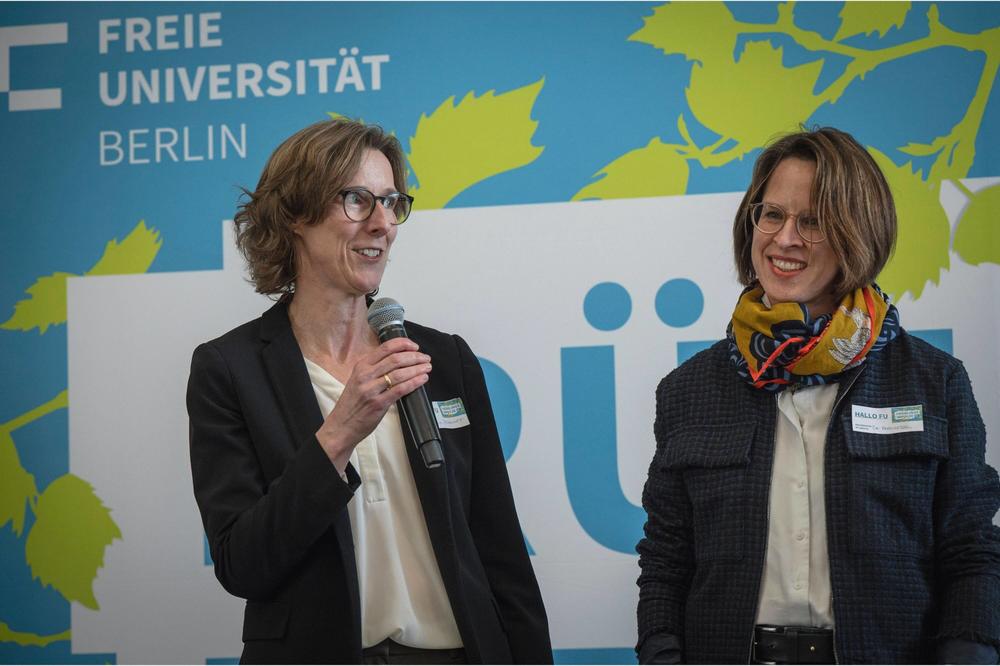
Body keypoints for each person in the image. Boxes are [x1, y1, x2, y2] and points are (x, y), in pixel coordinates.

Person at [187, 118, 551, 665]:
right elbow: (243, 564)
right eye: (357, 200)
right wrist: (337, 435)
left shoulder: (443, 358)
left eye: (391, 202)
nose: (383, 224)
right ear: (294, 215)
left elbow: (501, 550)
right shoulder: (230, 369)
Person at [636, 127, 1000, 664]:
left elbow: (970, 549)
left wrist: (967, 655)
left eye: (812, 222)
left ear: (858, 234)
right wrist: (661, 652)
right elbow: (666, 557)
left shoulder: (932, 381)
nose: (784, 239)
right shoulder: (688, 390)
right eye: (772, 214)